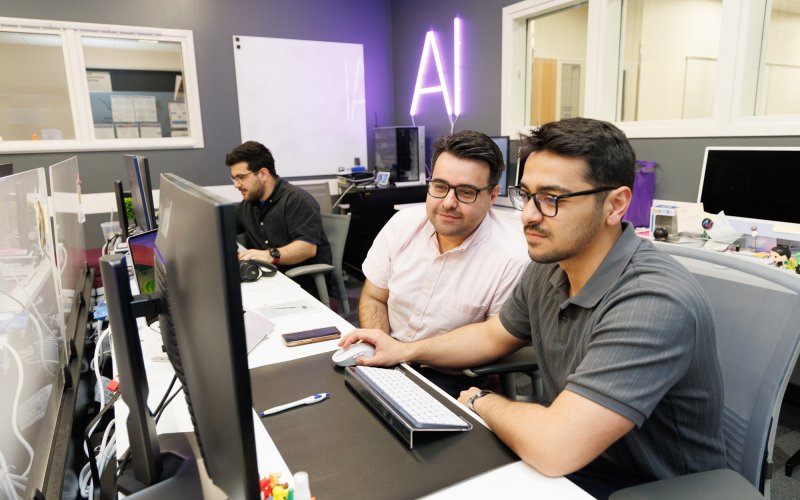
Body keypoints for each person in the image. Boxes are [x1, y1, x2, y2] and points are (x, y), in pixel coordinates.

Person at [341, 118, 727, 498]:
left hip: (649, 484)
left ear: (616, 204)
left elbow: (555, 446)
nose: (528, 215)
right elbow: (492, 334)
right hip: (574, 464)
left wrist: (481, 400)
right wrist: (406, 350)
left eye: (552, 199)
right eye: (526, 195)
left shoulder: (652, 301)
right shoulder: (549, 269)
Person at [358, 130, 529, 396]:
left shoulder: (512, 257)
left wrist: (402, 352)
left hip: (453, 377)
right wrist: (377, 344)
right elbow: (373, 296)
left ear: (493, 195)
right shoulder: (402, 226)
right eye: (440, 187)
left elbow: (494, 339)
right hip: (386, 356)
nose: (448, 203)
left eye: (466, 192)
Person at [225, 141, 332, 295]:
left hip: (300, 285)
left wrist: (269, 255)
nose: (236, 185)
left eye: (241, 177)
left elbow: (307, 248)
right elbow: (226, 226)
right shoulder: (250, 203)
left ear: (263, 174)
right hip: (268, 279)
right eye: (234, 178)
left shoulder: (297, 200)